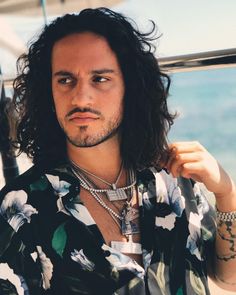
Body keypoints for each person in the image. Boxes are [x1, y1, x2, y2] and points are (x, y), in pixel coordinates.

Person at [0, 7, 235, 295]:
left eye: (100, 79)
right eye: (65, 80)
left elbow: (228, 280)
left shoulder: (174, 179)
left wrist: (225, 193)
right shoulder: (20, 209)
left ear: (130, 88)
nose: (80, 96)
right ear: (47, 92)